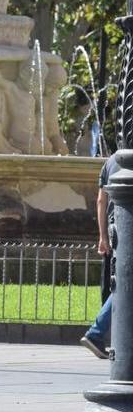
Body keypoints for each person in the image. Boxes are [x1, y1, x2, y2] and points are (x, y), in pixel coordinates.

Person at [83, 153, 118, 359]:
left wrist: (103, 236)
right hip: (128, 228)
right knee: (124, 288)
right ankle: (96, 332)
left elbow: (100, 200)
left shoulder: (111, 161)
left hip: (114, 231)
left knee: (118, 284)